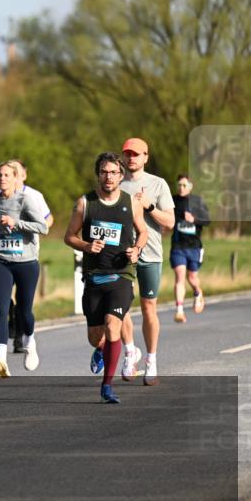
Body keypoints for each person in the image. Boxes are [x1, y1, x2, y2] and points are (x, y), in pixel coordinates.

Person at [64, 152, 148, 403]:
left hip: (121, 274)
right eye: (104, 172)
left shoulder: (131, 202)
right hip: (94, 276)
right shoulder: (85, 203)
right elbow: (69, 236)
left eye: (113, 172)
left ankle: (107, 386)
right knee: (95, 336)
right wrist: (86, 246)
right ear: (98, 174)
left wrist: (137, 249)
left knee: (114, 324)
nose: (108, 176)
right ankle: (101, 350)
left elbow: (142, 232)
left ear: (121, 175)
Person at [118, 138, 174, 386]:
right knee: (119, 308)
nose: (132, 158)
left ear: (145, 157)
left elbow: (170, 222)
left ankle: (151, 359)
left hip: (150, 254)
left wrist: (149, 206)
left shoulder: (157, 184)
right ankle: (130, 352)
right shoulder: (114, 183)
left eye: (136, 154)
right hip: (121, 255)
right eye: (128, 154)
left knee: (149, 307)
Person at [0, 161, 48, 377]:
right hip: (1, 260)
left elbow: (43, 227)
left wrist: (16, 222)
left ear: (15, 178)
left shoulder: (25, 200)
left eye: (7, 175)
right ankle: (0, 358)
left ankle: (31, 341)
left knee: (24, 311)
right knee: (1, 310)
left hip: (27, 263)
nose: (2, 178)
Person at [170, 174, 210, 322]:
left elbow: (207, 221)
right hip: (178, 245)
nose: (181, 188)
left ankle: (197, 292)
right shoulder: (172, 201)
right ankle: (179, 311)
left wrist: (194, 220)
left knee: (192, 277)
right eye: (179, 185)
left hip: (194, 246)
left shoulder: (197, 201)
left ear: (190, 187)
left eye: (184, 185)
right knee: (180, 276)